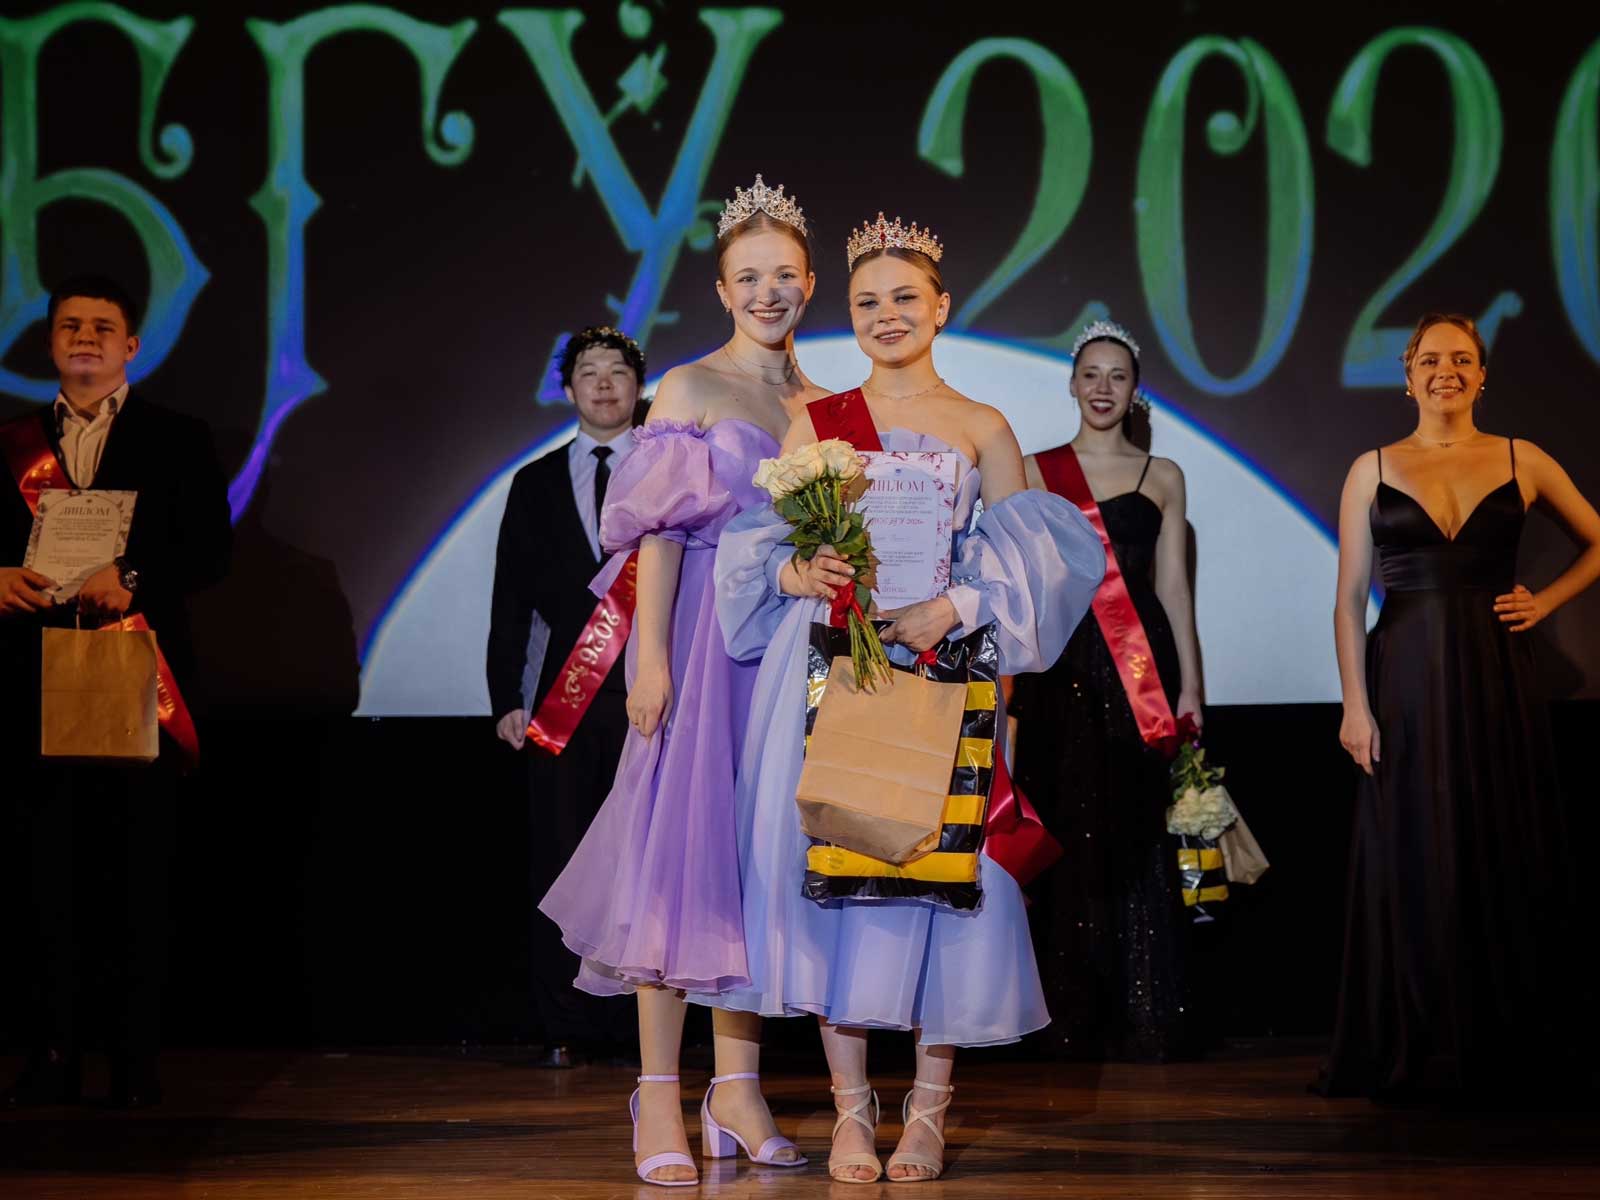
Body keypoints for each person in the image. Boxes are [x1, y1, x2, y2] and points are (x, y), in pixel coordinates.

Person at [708, 214, 1105, 1182]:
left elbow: (1037, 563)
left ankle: (927, 1112)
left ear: (941, 306)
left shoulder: (983, 426)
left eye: (904, 297)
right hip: (831, 676)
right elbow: (758, 553)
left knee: (944, 890)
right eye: (866, 302)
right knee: (835, 883)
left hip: (942, 674)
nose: (886, 315)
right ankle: (852, 1112)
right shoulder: (816, 422)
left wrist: (955, 605)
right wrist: (802, 571)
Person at [537, 175, 830, 1185]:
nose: (767, 292)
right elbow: (656, 538)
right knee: (678, 861)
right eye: (748, 277)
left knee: (750, 869)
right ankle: (657, 1092)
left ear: (809, 283)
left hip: (784, 649)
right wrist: (650, 661)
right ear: (720, 289)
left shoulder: (819, 401)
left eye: (783, 275)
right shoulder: (692, 388)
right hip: (705, 646)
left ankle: (737, 1089)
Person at [1320, 312, 1600, 1100]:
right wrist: (1354, 706)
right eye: (1431, 359)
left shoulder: (1521, 458)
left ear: (1482, 375)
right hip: (1402, 676)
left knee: (1498, 832)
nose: (1447, 370)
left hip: (1494, 671)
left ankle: (1504, 1034)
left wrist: (1545, 603)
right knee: (1414, 844)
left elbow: (1598, 540)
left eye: (1462, 359)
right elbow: (1348, 601)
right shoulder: (1372, 468)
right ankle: (1422, 1034)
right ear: (1408, 376)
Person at [0, 275, 232, 1108]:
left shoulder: (178, 437)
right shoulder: (10, 443)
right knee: (41, 876)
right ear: (50, 343)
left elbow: (210, 549)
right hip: (31, 679)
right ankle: (52, 1051)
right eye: (71, 326)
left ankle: (135, 1059)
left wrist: (131, 575)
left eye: (103, 327)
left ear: (132, 346)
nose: (86, 339)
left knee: (135, 874)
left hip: (137, 675)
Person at [1012, 321, 1204, 1062]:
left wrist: (1191, 687)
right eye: (1090, 373)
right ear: (1072, 383)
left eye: (1117, 375)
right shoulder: (1034, 470)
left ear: (1134, 390)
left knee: (1134, 827)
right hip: (1060, 665)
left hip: (1138, 668)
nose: (1102, 387)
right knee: (1066, 828)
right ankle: (1066, 1012)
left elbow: (1174, 589)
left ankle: (1145, 1006)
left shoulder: (1164, 475)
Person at [488, 324, 646, 1068]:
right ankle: (566, 1023)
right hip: (565, 698)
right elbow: (511, 599)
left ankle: (649, 1023)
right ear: (569, 388)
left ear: (639, 385)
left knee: (648, 855)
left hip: (655, 690)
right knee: (561, 853)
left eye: (618, 371)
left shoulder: (670, 469)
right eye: (589, 372)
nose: (605, 384)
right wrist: (506, 696)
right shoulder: (536, 481)